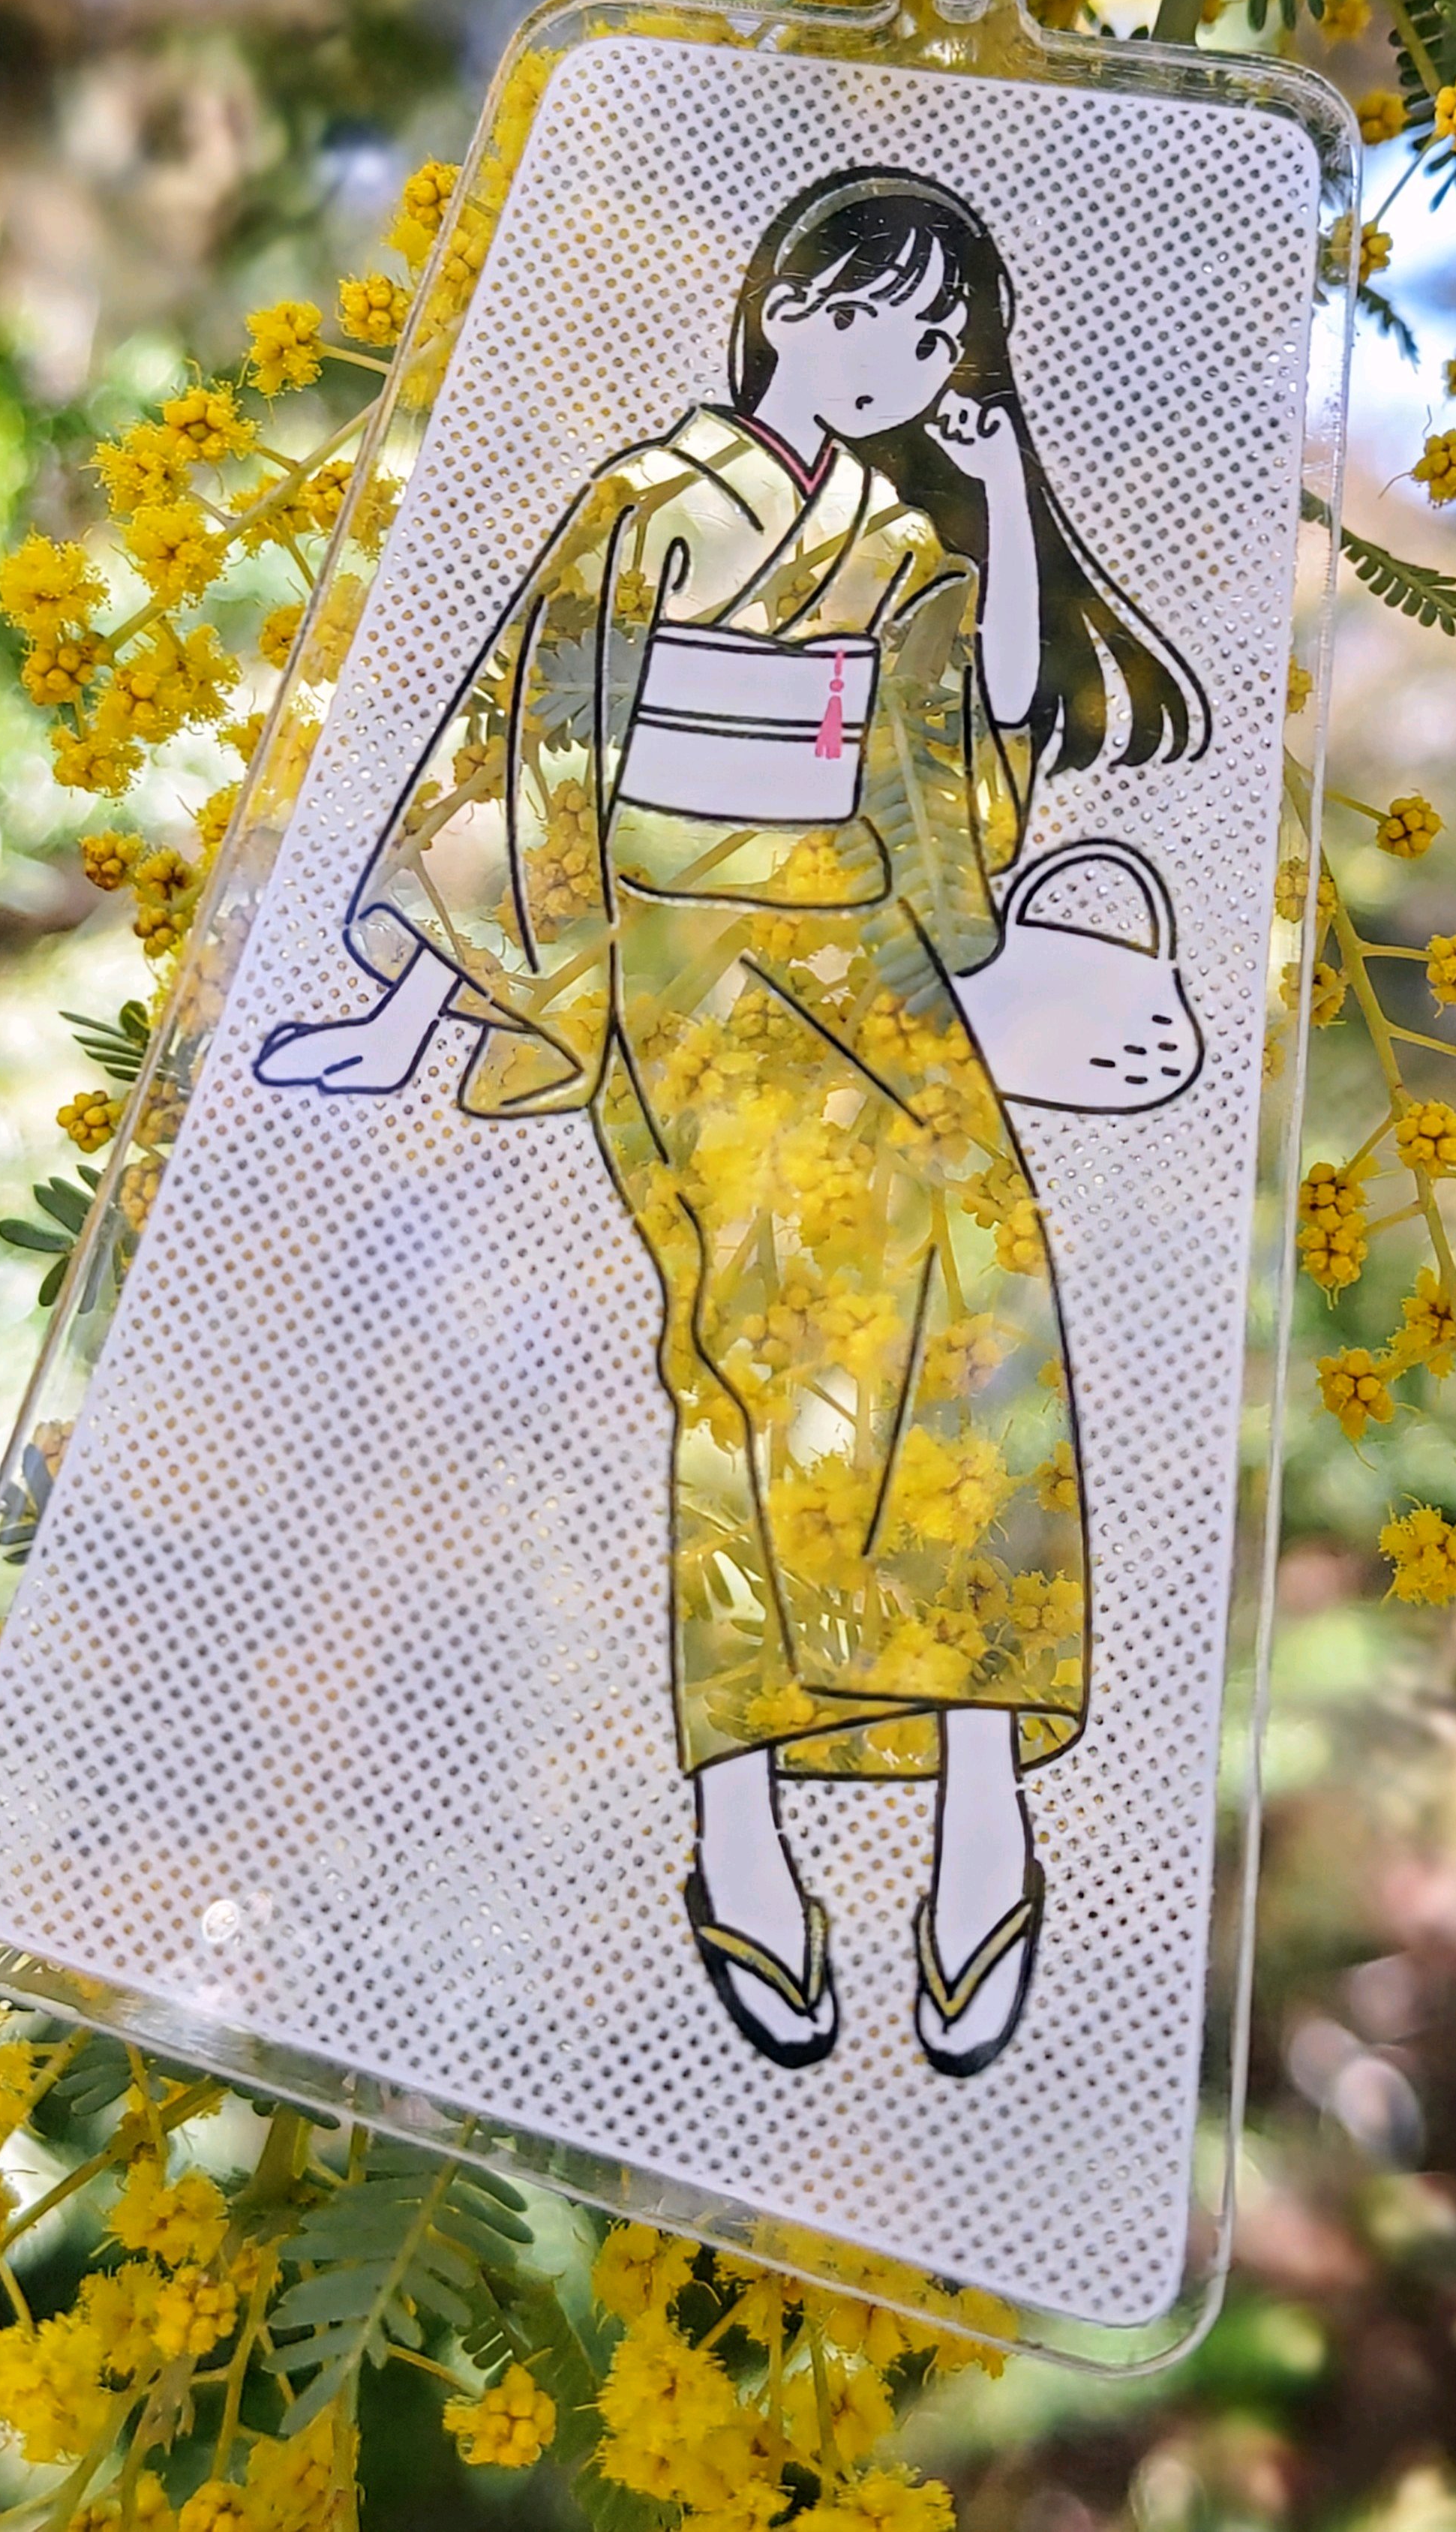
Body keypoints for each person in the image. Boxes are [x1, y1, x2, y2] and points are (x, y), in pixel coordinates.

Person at [258, 166, 1205, 2077]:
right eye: (860, 318)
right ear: (778, 304)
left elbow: (981, 734)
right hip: (690, 982)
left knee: (989, 1325)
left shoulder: (901, 533)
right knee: (756, 1365)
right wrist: (400, 1010)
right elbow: (530, 757)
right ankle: (743, 1836)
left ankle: (982, 1807)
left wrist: (1010, 498)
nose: (888, 366)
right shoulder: (643, 500)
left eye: (930, 343)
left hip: (878, 967)